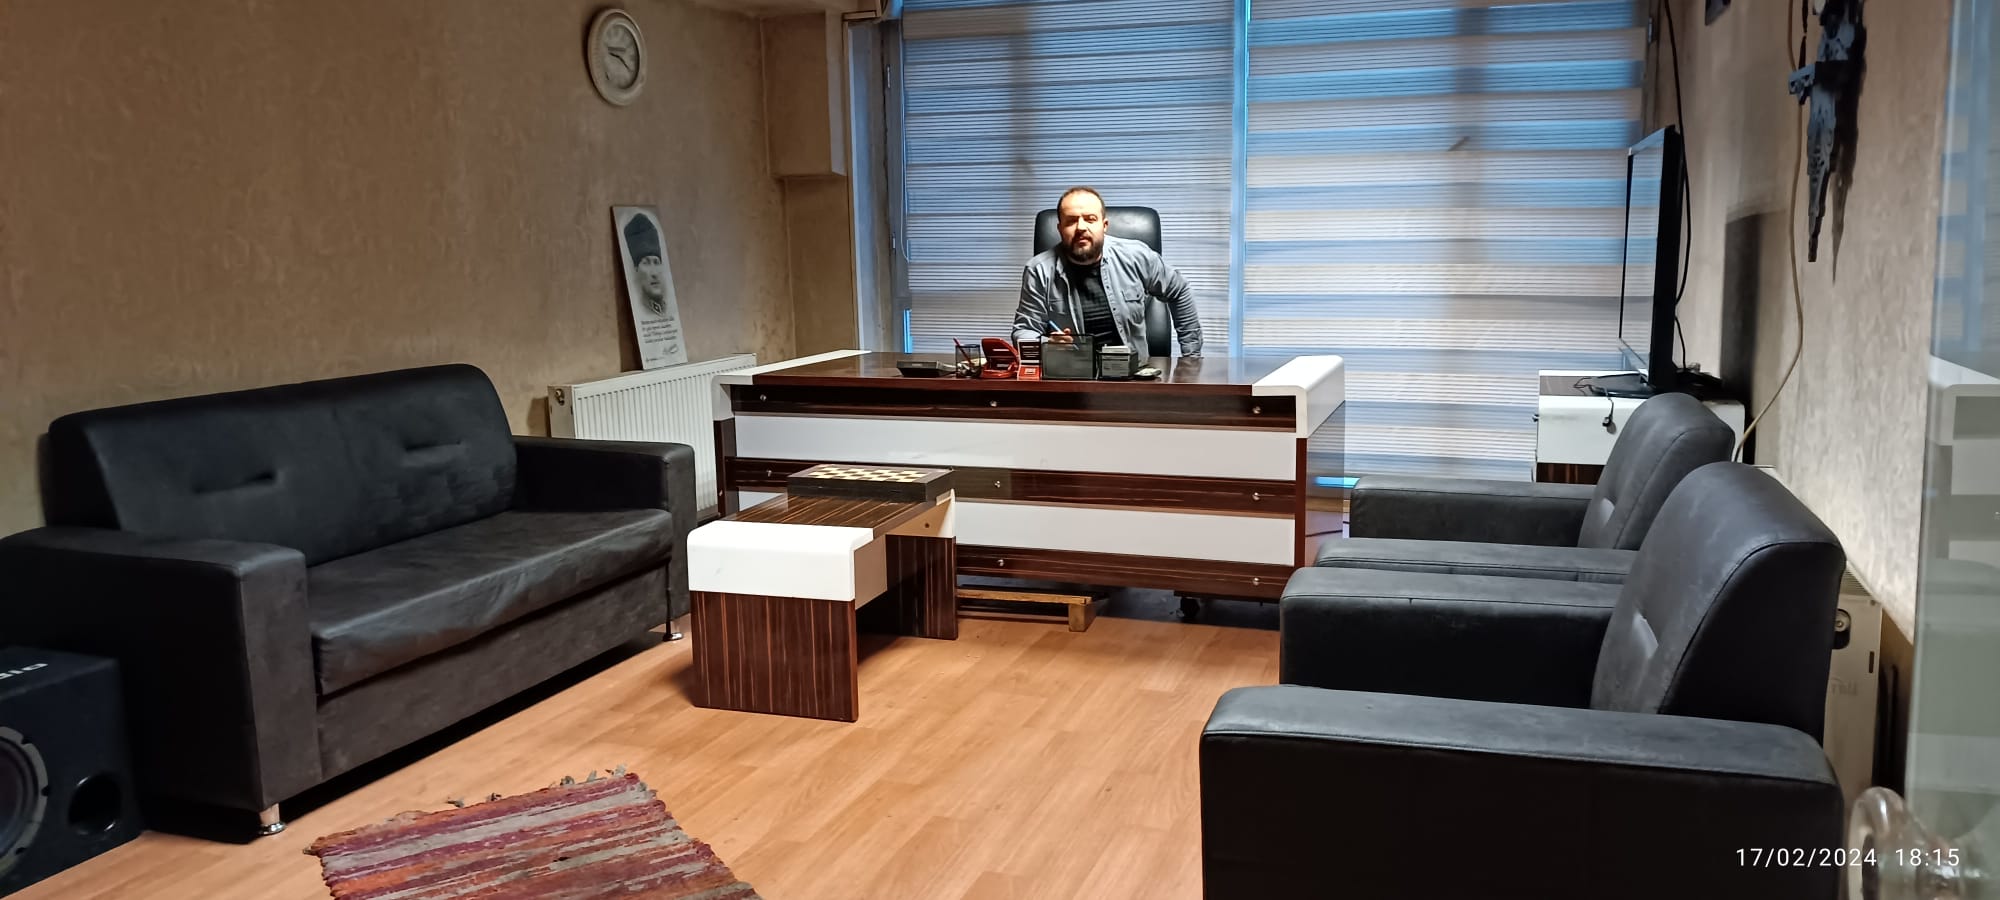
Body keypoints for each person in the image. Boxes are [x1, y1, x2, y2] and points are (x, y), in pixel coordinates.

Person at [1012, 187, 1202, 359]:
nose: (1081, 227)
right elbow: (1025, 331)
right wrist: (1047, 346)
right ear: (1060, 229)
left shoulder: (1136, 256)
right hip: (1071, 375)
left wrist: (1191, 358)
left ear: (1104, 225)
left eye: (1090, 219)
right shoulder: (1038, 270)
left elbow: (1179, 290)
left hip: (1133, 376)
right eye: (1071, 221)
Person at [623, 213, 670, 317]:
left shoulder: (669, 310)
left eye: (656, 262)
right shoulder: (639, 311)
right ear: (636, 268)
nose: (654, 273)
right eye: (646, 263)